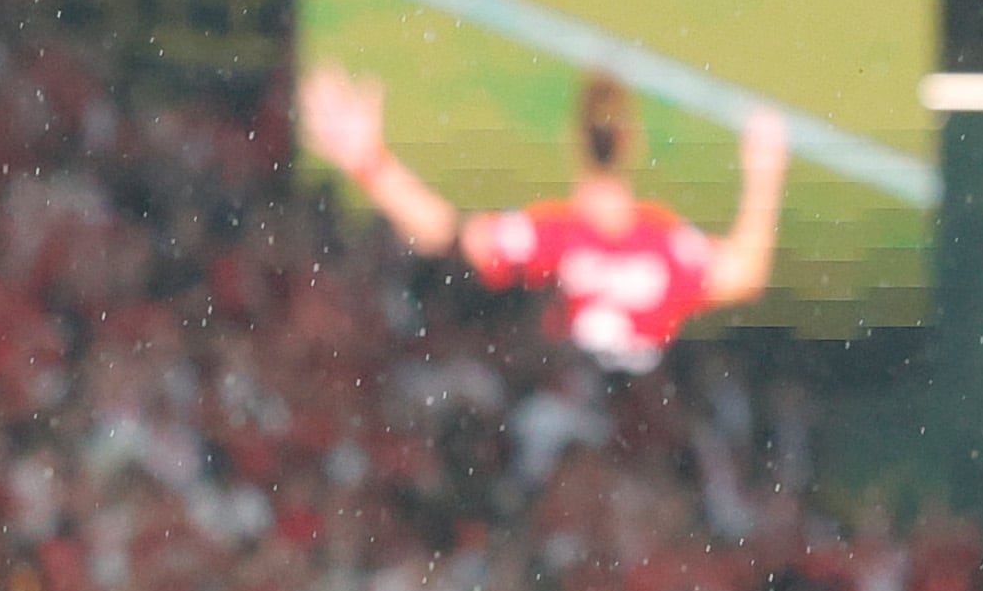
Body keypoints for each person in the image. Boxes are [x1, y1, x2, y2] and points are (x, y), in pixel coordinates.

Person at [301, 65, 785, 378]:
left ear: (573, 143)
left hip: (564, 422)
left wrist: (369, 162)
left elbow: (444, 234)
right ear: (633, 145)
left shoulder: (552, 239)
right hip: (642, 433)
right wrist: (765, 174)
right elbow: (746, 272)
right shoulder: (665, 246)